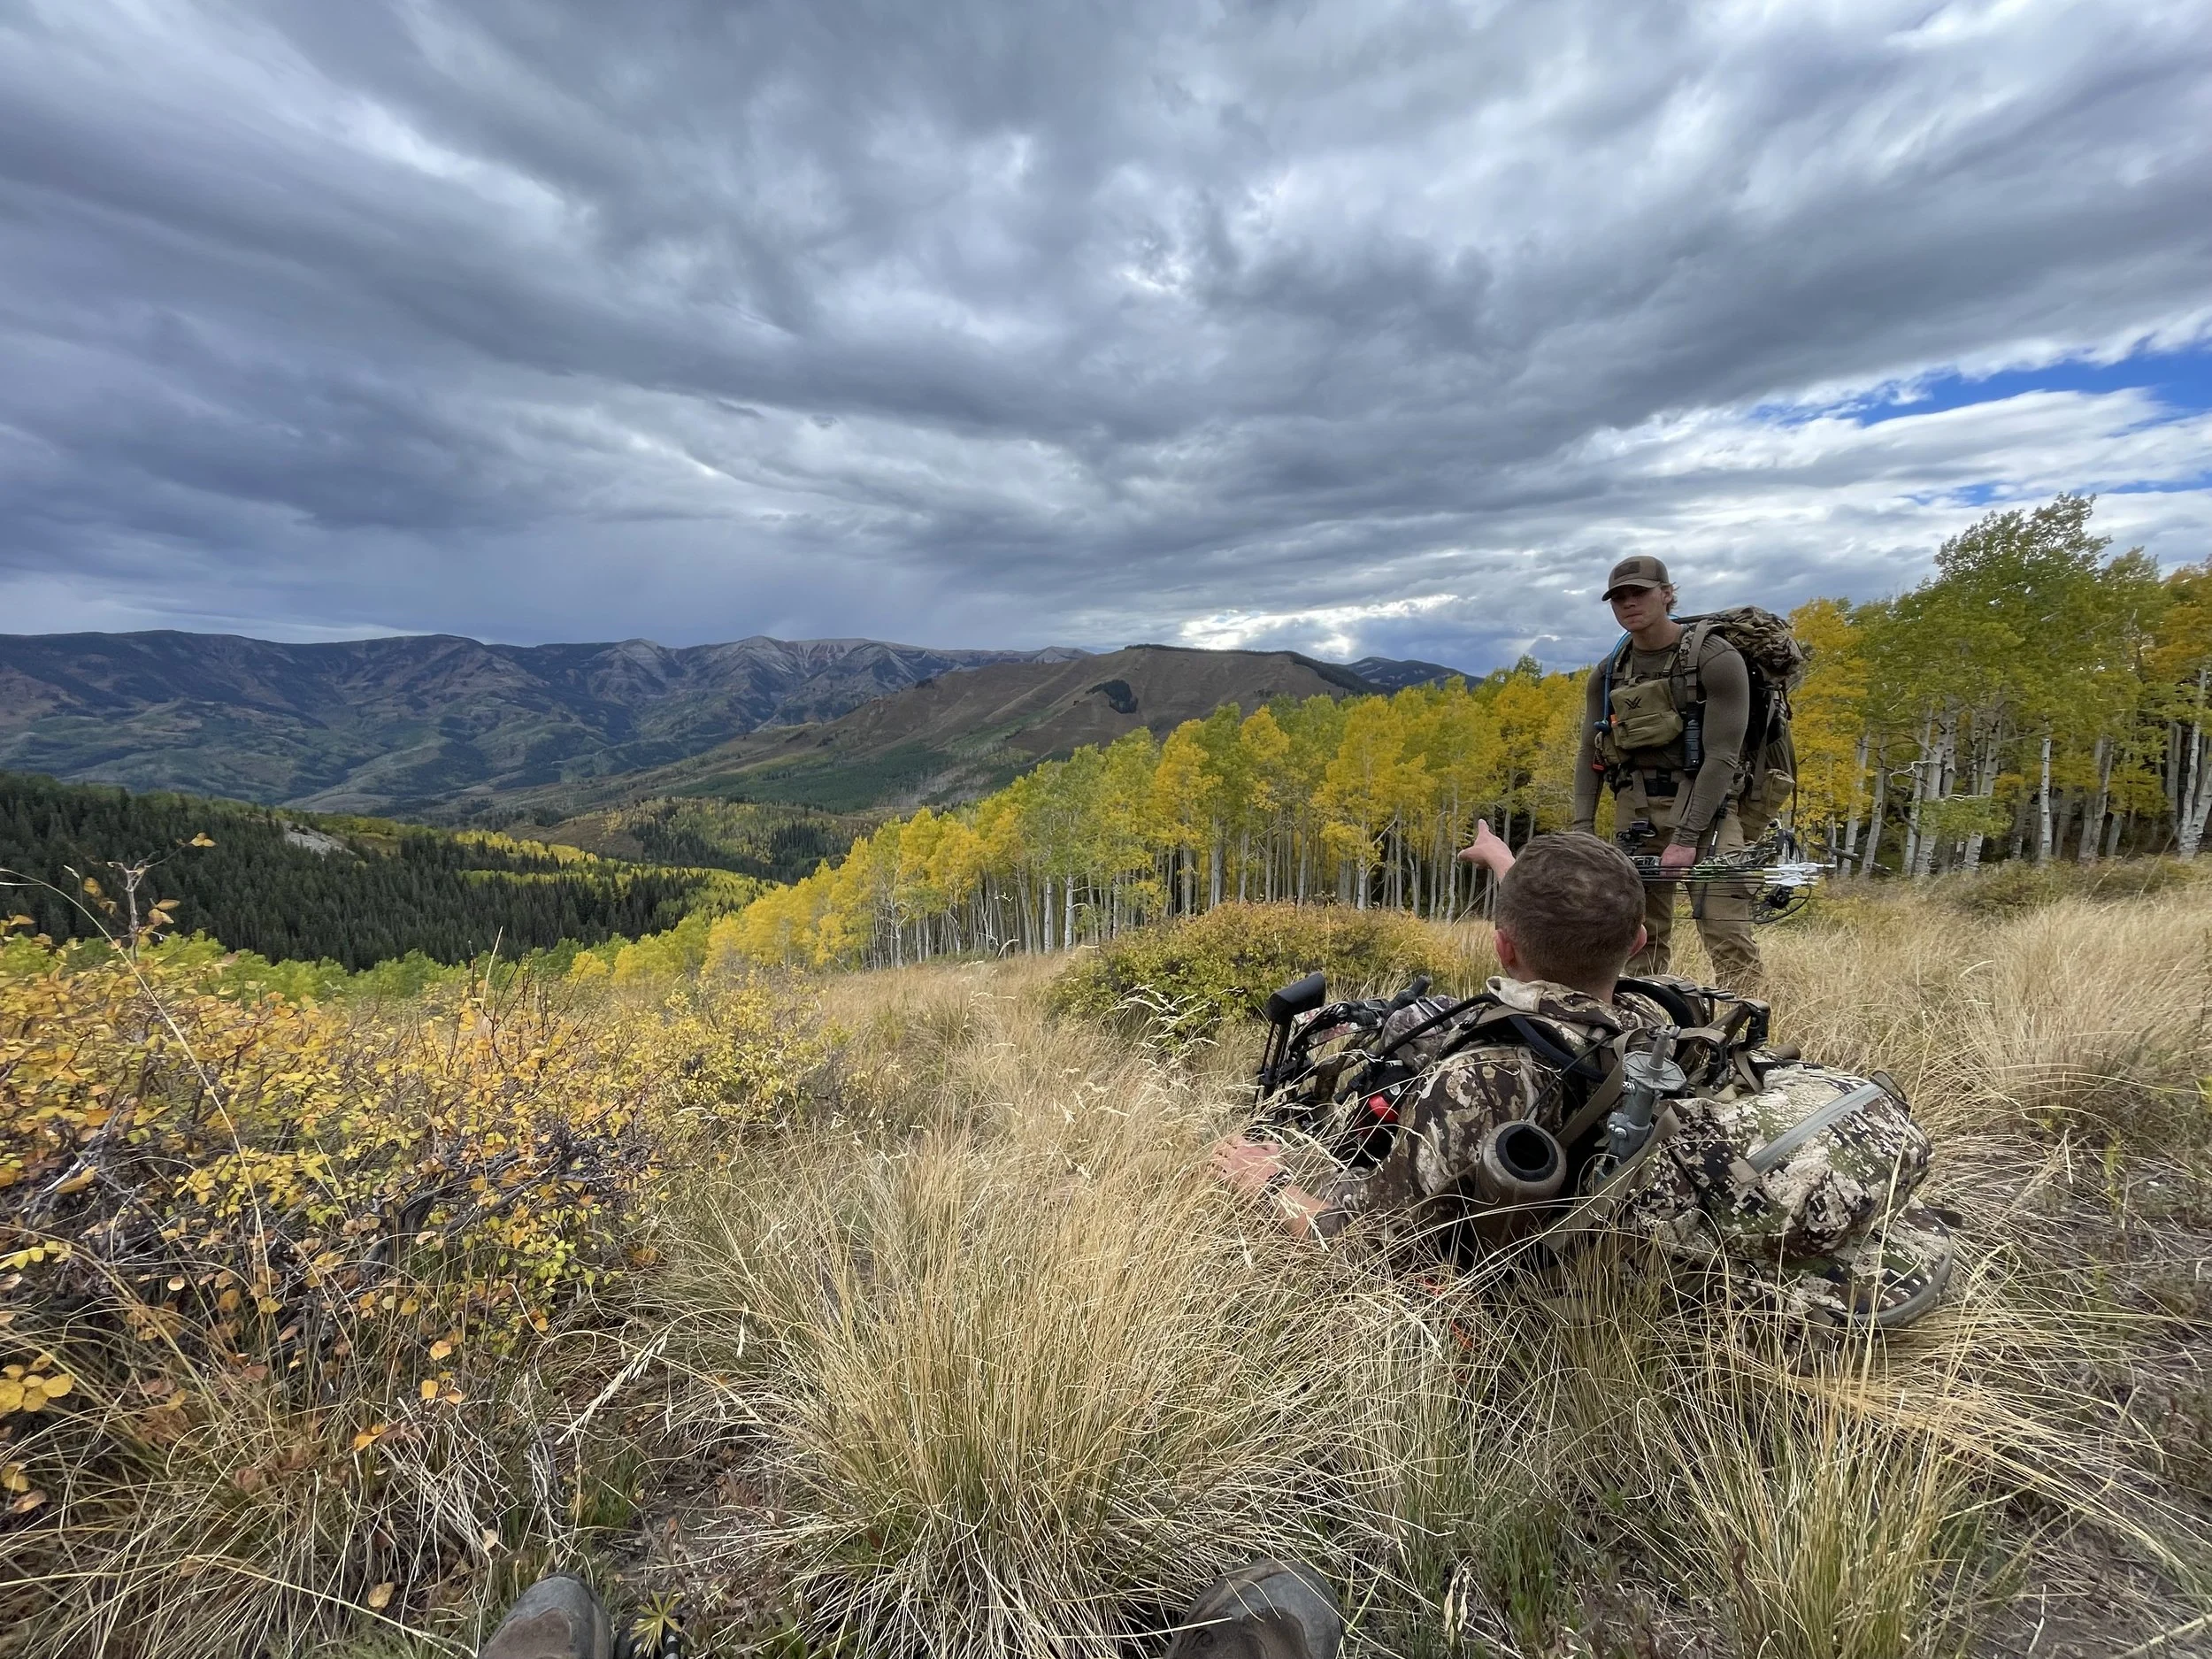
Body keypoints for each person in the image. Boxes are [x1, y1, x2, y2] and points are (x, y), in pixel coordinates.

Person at [1210, 826, 1672, 1250]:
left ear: (1502, 948)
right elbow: (1566, 927)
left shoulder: (1477, 1082)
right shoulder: (1659, 1024)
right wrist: (1502, 861)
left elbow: (1369, 1245)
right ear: (1636, 943)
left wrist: (1270, 1183)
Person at [1571, 556, 1761, 987]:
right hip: (1634, 815)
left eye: (1639, 592)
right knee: (1637, 942)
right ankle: (1646, 1034)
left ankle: (1748, 1041)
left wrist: (1687, 839)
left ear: (1668, 594)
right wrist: (1582, 830)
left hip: (1706, 814)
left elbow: (1722, 757)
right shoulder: (1610, 671)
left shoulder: (1715, 658)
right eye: (1618, 596)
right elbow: (1590, 752)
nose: (1628, 603)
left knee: (1728, 936)